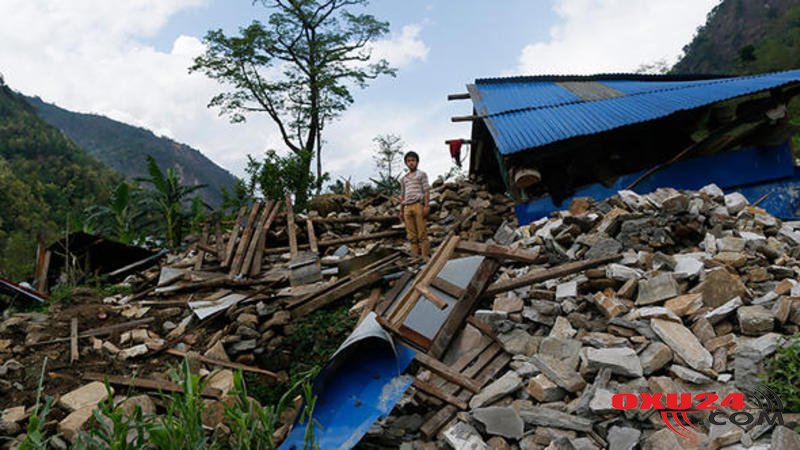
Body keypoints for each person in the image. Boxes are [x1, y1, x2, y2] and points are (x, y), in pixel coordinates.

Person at [399, 151, 431, 257]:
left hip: (418, 205)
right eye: (408, 161)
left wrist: (426, 206)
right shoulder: (404, 179)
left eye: (413, 160)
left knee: (422, 234)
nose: (411, 163)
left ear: (417, 162)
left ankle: (425, 258)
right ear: (406, 163)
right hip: (407, 207)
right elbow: (402, 195)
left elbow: (426, 190)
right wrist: (401, 211)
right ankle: (414, 259)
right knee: (411, 236)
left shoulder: (421, 174)